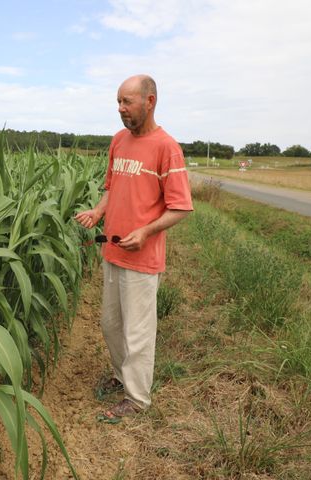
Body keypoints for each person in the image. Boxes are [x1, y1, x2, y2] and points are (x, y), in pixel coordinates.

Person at [74, 74, 193, 419]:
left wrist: (146, 232)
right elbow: (112, 187)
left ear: (150, 101)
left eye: (127, 102)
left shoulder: (166, 147)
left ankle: (137, 399)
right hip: (112, 251)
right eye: (118, 102)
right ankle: (119, 375)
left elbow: (180, 207)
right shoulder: (119, 142)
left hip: (142, 257)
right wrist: (98, 211)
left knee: (138, 331)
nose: (120, 109)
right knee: (111, 324)